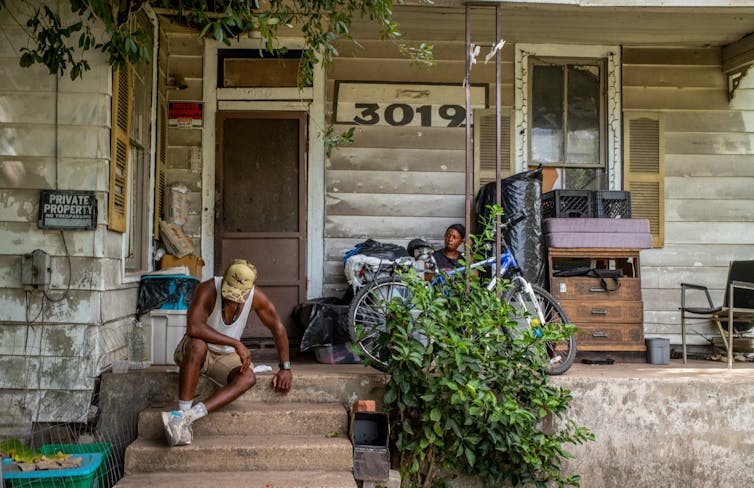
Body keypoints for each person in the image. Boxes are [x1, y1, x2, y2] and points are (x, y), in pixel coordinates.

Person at [162, 259, 292, 446]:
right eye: (229, 292)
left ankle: (185, 417)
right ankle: (183, 408)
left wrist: (285, 367)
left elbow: (277, 327)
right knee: (197, 346)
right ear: (224, 281)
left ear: (248, 291)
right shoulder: (208, 289)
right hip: (198, 352)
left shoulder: (256, 297)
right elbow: (194, 327)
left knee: (247, 378)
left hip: (226, 356)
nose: (231, 298)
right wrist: (235, 343)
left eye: (237, 295)